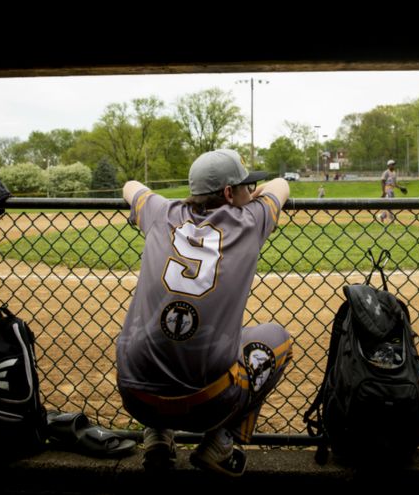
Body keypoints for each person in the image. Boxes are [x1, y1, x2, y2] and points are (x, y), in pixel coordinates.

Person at [117, 149, 292, 477]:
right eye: (246, 187)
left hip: (136, 396)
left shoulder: (161, 212)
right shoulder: (250, 220)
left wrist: (152, 199)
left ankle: (157, 433)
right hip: (208, 406)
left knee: (140, 334)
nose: (252, 192)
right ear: (229, 193)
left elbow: (130, 185)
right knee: (277, 338)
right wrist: (258, 198)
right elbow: (281, 185)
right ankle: (221, 443)